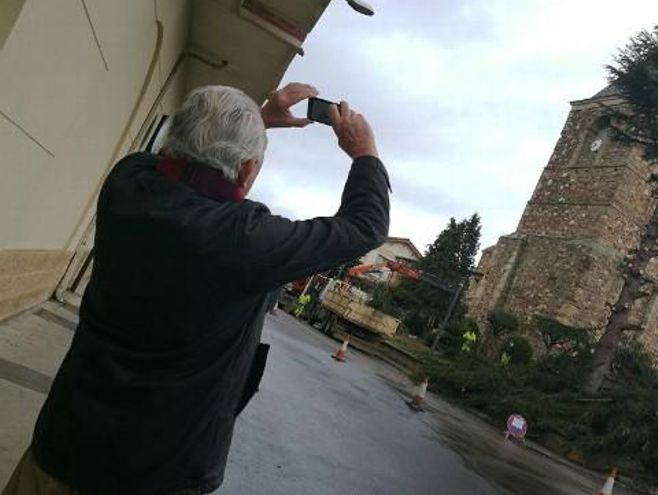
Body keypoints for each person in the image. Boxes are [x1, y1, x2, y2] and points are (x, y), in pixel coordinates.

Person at [2, 83, 390, 495]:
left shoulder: (126, 184)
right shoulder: (244, 241)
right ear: (245, 172)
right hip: (157, 476)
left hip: (60, 448)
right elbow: (364, 226)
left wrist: (258, 119)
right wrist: (364, 152)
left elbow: (169, 160)